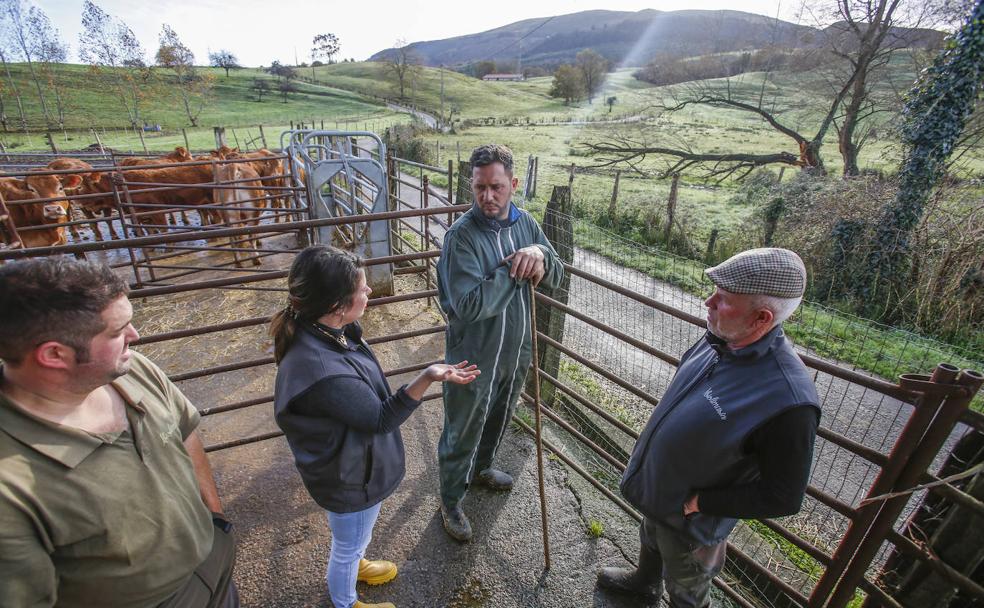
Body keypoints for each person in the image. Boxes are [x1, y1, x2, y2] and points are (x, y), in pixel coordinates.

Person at [0, 258, 238, 608]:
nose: (134, 336)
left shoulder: (134, 370)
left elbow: (185, 433)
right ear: (54, 354)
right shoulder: (11, 486)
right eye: (116, 332)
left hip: (212, 564)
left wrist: (216, 521)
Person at [597, 247, 821, 608]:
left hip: (692, 524)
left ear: (761, 318)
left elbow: (784, 495)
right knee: (651, 535)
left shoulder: (789, 403)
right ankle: (644, 584)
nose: (708, 302)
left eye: (723, 298)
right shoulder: (720, 340)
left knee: (687, 587)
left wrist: (702, 502)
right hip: (662, 493)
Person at [271, 246, 480, 608]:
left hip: (350, 463)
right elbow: (382, 418)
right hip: (348, 475)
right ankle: (345, 600)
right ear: (337, 303)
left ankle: (357, 562)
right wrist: (428, 376)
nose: (369, 292)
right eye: (362, 288)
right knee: (347, 544)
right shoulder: (323, 370)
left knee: (353, 536)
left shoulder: (327, 329)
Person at [435, 143, 564, 542]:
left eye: (496, 187)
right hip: (473, 353)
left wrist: (540, 251)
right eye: (479, 188)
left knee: (502, 410)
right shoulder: (462, 238)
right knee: (463, 424)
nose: (487, 197)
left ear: (514, 183)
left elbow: (556, 274)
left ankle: (484, 466)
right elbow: (470, 305)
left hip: (517, 347)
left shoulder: (526, 224)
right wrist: (517, 268)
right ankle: (451, 499)